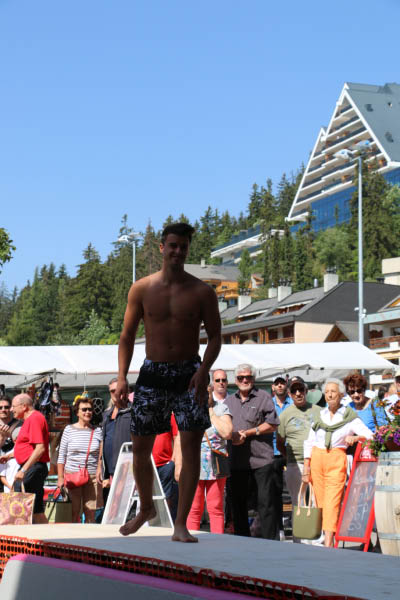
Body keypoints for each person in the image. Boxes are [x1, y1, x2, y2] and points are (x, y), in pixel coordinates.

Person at [115, 222, 221, 542]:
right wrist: (121, 376)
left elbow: (215, 337)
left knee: (190, 449)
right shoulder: (142, 289)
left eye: (183, 247)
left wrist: (204, 370)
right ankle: (146, 507)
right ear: (162, 248)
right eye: (172, 245)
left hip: (189, 373)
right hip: (153, 372)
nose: (177, 251)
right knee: (140, 447)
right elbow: (127, 336)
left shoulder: (202, 292)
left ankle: (180, 524)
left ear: (188, 250)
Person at [303, 378, 373, 547]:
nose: (329, 395)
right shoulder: (320, 415)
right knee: (320, 502)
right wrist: (306, 468)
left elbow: (370, 435)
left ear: (341, 395)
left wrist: (356, 438)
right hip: (317, 459)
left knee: (332, 502)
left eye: (333, 391)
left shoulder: (349, 416)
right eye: (327, 392)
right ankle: (327, 537)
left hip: (336, 458)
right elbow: (309, 442)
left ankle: (328, 543)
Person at [225, 364, 280, 540]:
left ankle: (271, 544)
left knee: (265, 504)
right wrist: (231, 435)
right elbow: (222, 427)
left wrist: (250, 432)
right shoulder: (229, 401)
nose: (245, 380)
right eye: (241, 378)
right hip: (236, 461)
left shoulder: (263, 397)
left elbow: (272, 424)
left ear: (253, 379)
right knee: (238, 505)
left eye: (248, 377)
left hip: (261, 460)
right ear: (235, 381)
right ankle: (242, 542)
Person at [277, 378, 321, 542]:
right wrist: (290, 458)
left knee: (318, 501)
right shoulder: (285, 415)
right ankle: (299, 540)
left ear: (306, 391)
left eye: (301, 390)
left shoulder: (319, 411)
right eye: (294, 391)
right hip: (295, 464)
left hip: (317, 463)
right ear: (289, 394)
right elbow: (280, 442)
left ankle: (317, 539)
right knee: (298, 503)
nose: (298, 393)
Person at [187, 383, 232, 533]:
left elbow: (227, 433)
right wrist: (179, 464)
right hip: (193, 463)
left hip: (216, 464)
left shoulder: (221, 408)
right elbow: (180, 438)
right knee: (194, 508)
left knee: (216, 507)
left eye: (206, 392)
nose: (203, 396)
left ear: (211, 392)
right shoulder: (189, 410)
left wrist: (211, 412)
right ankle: (191, 538)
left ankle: (217, 541)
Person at [58, 396, 102, 523]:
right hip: (72, 476)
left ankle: (89, 534)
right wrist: (60, 478)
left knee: (90, 513)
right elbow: (62, 455)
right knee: (73, 512)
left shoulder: (97, 431)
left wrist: (99, 469)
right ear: (77, 412)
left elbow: (100, 455)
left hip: (92, 476)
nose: (88, 412)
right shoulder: (69, 430)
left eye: (90, 409)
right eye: (84, 409)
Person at [12, 393, 50, 524]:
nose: (11, 409)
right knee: (36, 510)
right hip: (33, 467)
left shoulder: (34, 418)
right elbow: (30, 448)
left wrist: (23, 470)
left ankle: (24, 533)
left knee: (23, 508)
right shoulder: (30, 419)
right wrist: (10, 455)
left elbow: (40, 448)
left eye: (13, 406)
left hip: (32, 468)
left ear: (24, 406)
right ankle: (47, 535)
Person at [97, 378, 132, 505]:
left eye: (119, 390)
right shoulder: (106, 414)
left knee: (125, 505)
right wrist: (100, 466)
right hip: (109, 470)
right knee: (110, 505)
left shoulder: (132, 412)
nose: (116, 394)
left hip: (126, 468)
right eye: (112, 391)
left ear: (127, 391)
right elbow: (103, 439)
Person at [271, 375, 292, 539]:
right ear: (273, 387)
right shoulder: (268, 403)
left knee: (294, 492)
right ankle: (279, 528)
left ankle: (297, 526)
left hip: (291, 452)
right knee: (275, 492)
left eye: (282, 383)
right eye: (277, 383)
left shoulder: (293, 404)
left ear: (286, 386)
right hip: (273, 453)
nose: (279, 386)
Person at [152, 414, 181, 522]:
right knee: (150, 497)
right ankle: (155, 523)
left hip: (166, 464)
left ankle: (166, 523)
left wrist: (174, 460)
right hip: (149, 464)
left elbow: (176, 437)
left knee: (167, 497)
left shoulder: (170, 416)